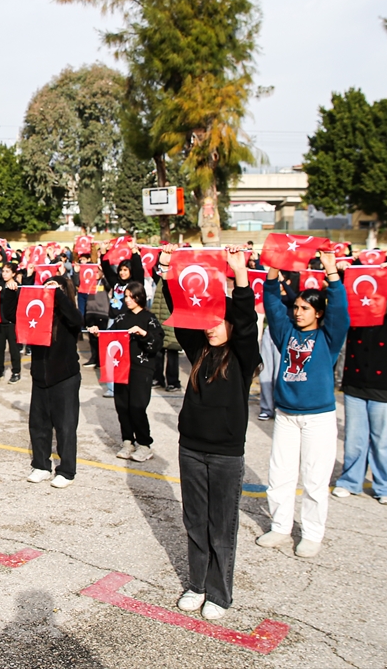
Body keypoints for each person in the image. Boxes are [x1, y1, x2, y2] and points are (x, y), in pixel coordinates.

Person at [168, 247, 258, 622]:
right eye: (208, 320)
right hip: (191, 448)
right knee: (195, 522)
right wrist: (171, 271)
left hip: (225, 454)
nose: (211, 327)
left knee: (222, 527)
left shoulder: (242, 357)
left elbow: (247, 322)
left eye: (219, 321)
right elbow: (181, 312)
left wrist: (240, 276)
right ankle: (197, 584)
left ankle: (219, 593)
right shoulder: (199, 351)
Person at [258, 249, 348, 558]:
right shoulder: (285, 333)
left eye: (305, 308)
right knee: (279, 475)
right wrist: (272, 268)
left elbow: (340, 310)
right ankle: (280, 526)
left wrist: (331, 272)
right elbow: (272, 303)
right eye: (296, 307)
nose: (298, 312)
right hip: (286, 415)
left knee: (314, 478)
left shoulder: (329, 337)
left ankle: (311, 533)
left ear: (318, 313)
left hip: (318, 418)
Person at [334, 262, 387, 506]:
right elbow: (339, 302)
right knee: (354, 441)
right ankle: (350, 481)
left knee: (384, 443)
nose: (370, 298)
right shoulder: (356, 317)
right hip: (356, 387)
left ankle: (386, 486)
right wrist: (343, 273)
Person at [24, 274, 83, 487]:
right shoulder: (39, 313)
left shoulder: (68, 314)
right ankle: (41, 465)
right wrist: (12, 294)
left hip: (64, 377)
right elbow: (12, 315)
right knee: (38, 424)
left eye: (56, 288)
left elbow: (77, 320)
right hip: (41, 376)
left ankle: (66, 470)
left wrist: (57, 294)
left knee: (65, 426)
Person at [103, 279, 163, 462]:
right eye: (126, 296)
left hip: (141, 368)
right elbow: (110, 335)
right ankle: (127, 441)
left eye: (131, 297)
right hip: (121, 366)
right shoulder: (122, 317)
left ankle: (144, 444)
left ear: (140, 297)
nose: (127, 300)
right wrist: (99, 333)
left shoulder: (149, 318)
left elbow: (157, 343)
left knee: (137, 406)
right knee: (122, 406)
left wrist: (143, 333)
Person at [0, 263, 22, 383]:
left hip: (12, 323)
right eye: (3, 271)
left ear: (13, 273)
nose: (4, 274)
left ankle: (16, 371)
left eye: (7, 271)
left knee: (14, 349)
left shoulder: (16, 286)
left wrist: (5, 291)